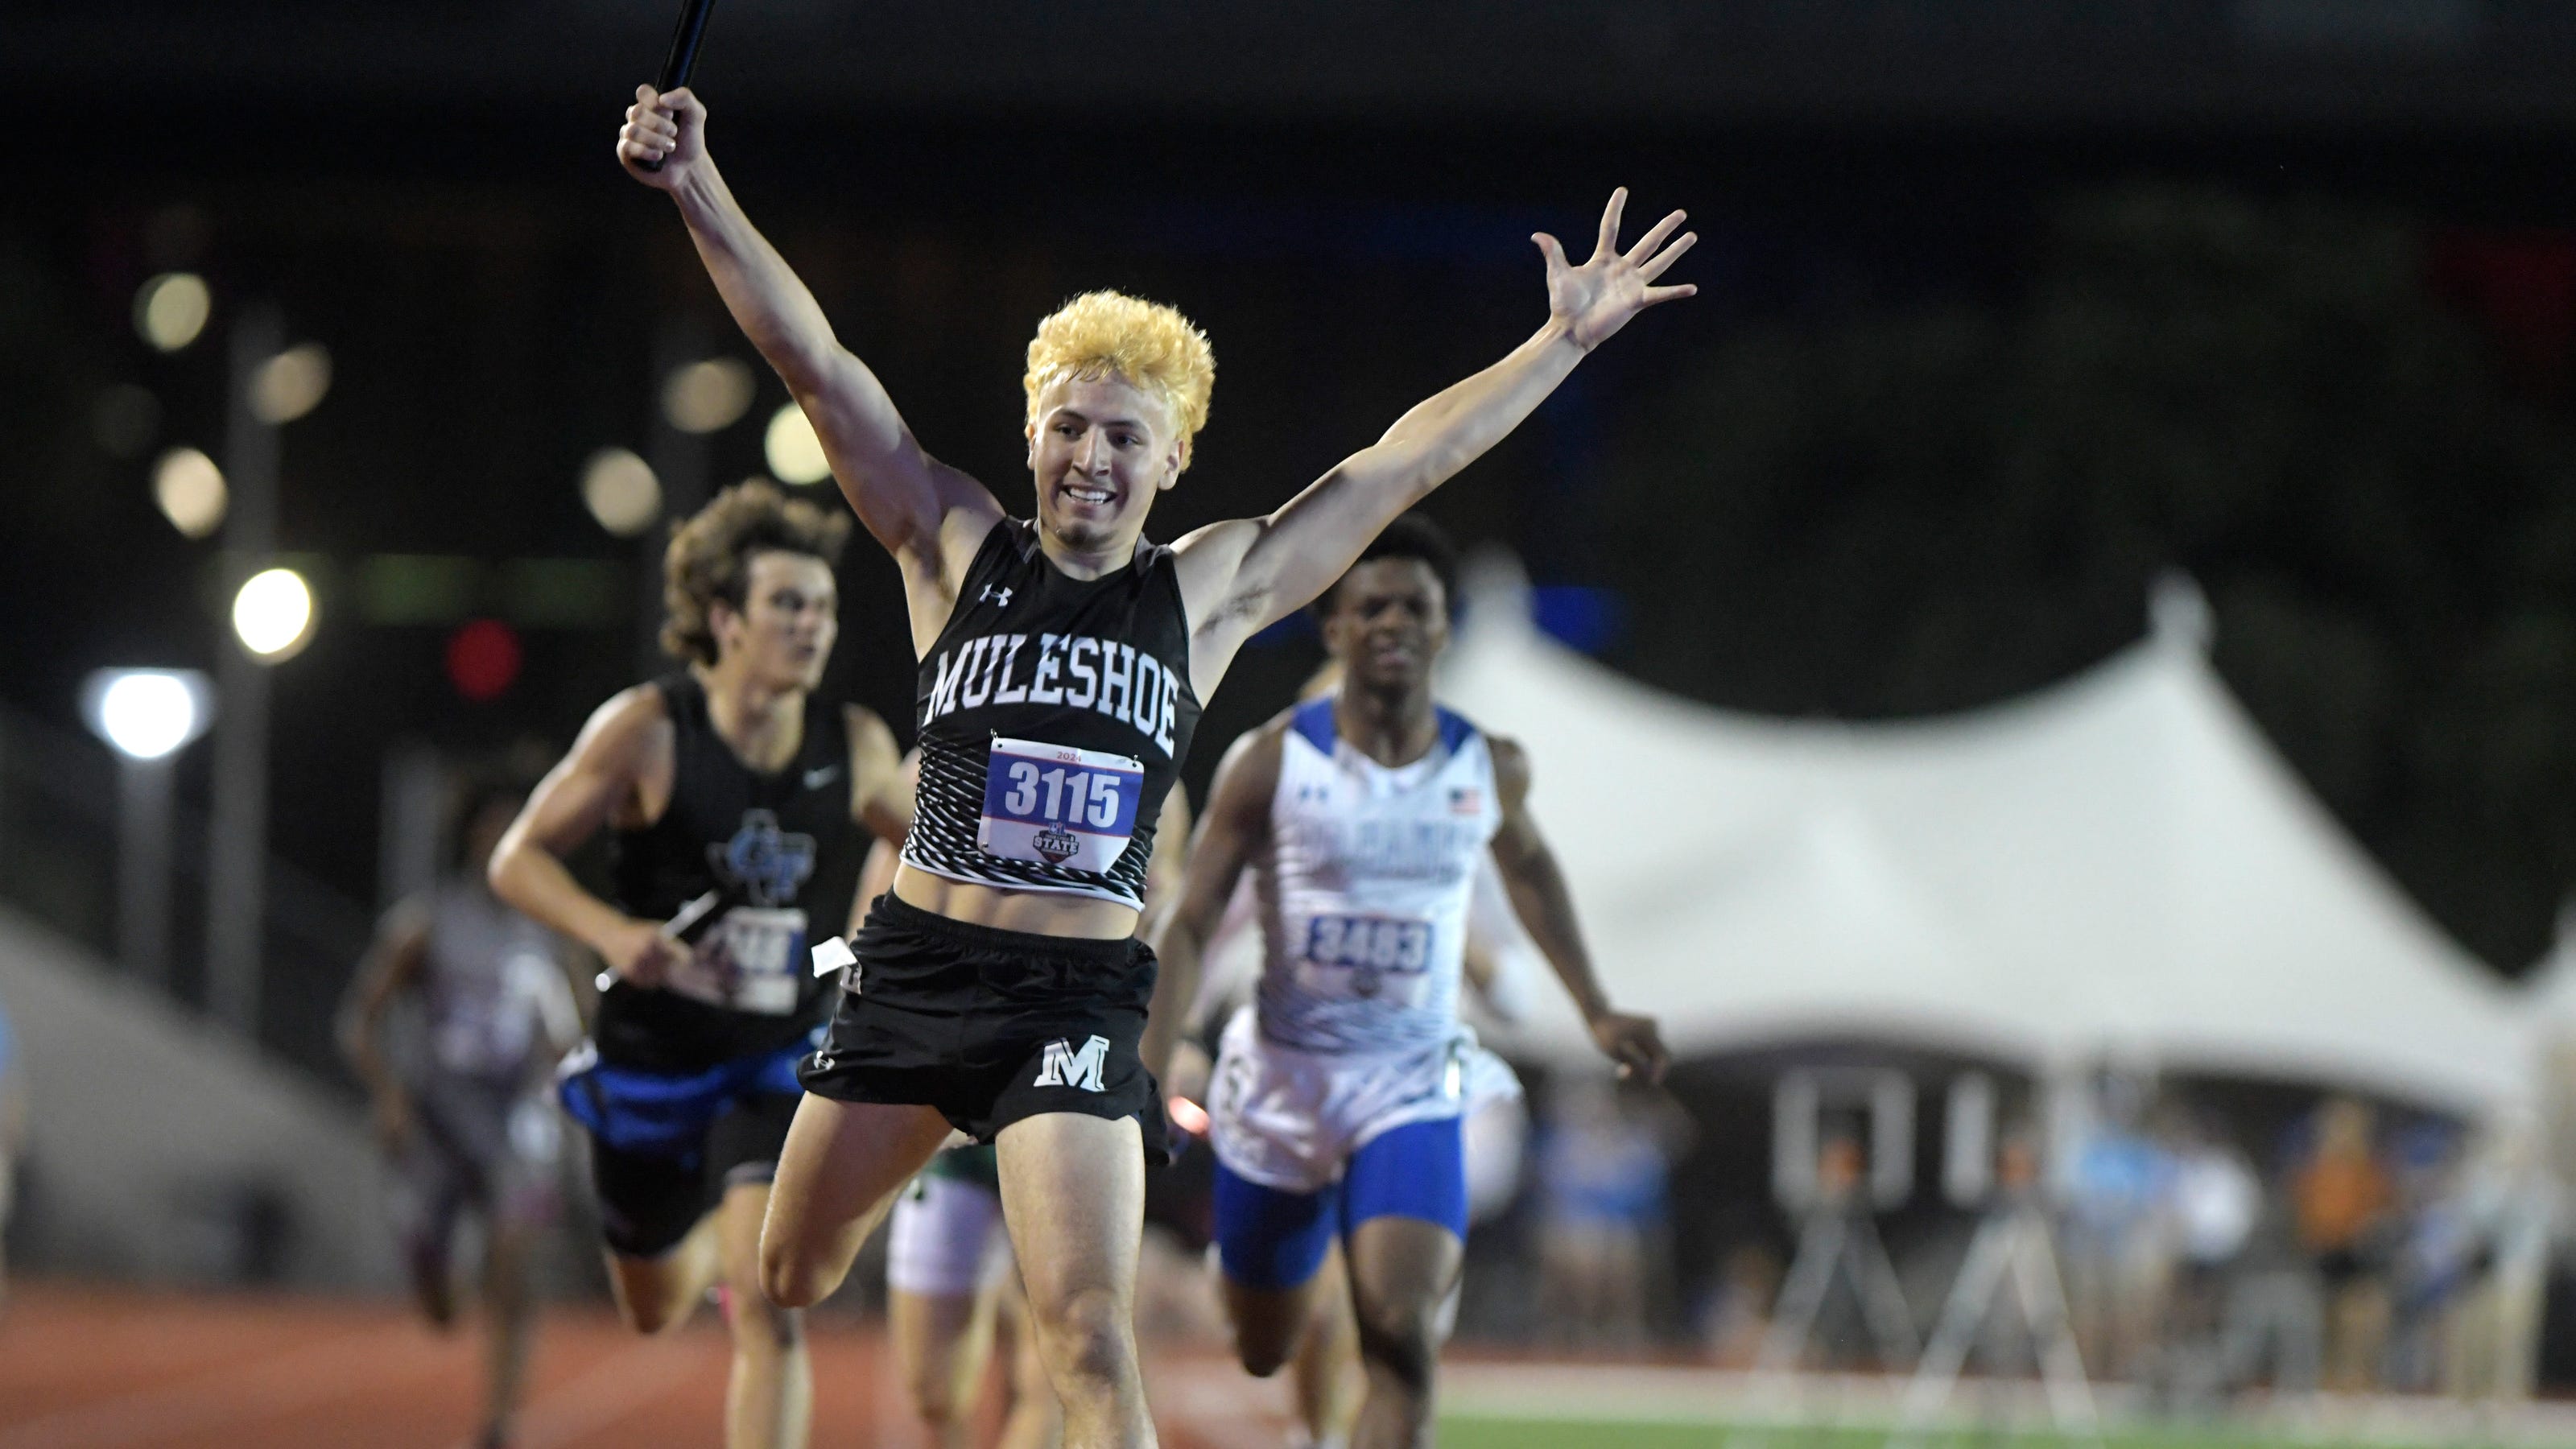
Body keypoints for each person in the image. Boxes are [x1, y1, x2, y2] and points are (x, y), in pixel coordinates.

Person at [614, 72, 1693, 1449]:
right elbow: (813, 364)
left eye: (1126, 435)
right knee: (788, 1269)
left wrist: (1561, 346)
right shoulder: (948, 541)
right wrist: (698, 184)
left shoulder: (1209, 592)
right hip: (914, 976)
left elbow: (1398, 470)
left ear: (1173, 455)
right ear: (1031, 433)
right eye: (1069, 425)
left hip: (1074, 997)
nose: (1091, 458)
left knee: (1085, 1331)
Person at [1145, 516, 1669, 1448]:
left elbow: (1526, 923)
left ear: (1439, 632)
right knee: (1267, 1339)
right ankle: (1303, 1389)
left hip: (1411, 1087)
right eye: (1368, 609)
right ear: (1335, 634)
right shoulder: (1269, 766)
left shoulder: (1480, 772)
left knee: (1398, 1336)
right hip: (1283, 1088)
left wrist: (1588, 1005)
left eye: (1412, 610)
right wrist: (1162, 1052)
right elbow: (1198, 925)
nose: (1390, 627)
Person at [488, 481, 908, 1449]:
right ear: (725, 619)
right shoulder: (646, 730)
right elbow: (517, 858)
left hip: (775, 1054)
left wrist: (855, 946)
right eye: (786, 605)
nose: (811, 626)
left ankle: (735, 1256)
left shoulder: (852, 745)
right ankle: (686, 1250)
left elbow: (918, 843)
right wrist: (610, 932)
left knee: (769, 1301)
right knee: (650, 1304)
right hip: (652, 1057)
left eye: (823, 607)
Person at [870, 772, 1189, 1449]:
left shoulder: (1146, 755)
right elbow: (858, 931)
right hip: (952, 1113)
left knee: (1063, 1363)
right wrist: (847, 1005)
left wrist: (1168, 1043)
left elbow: (1170, 916)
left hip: (1067, 1087)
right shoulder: (949, 749)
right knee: (932, 1388)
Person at [340, 775, 581, 1449]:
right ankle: (434, 1268)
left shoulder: (552, 931)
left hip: (514, 1114)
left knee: (514, 1258)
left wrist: (567, 1082)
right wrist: (388, 1097)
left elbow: (573, 1036)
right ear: (471, 840)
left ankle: (501, 1421)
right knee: (439, 1301)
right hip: (438, 1113)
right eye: (492, 828)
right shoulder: (427, 923)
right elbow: (360, 1020)